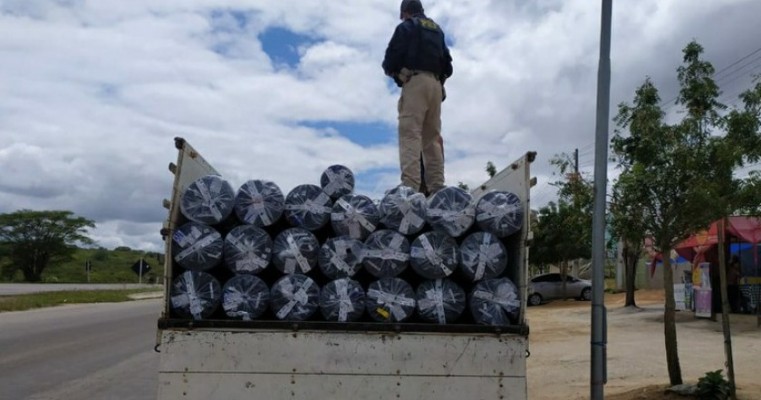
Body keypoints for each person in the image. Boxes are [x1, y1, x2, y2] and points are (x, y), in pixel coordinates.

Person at [382, 0, 453, 195]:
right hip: (436, 86)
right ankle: (438, 188)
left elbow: (389, 60)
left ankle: (410, 187)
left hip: (416, 83)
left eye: (401, 14)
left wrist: (396, 73)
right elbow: (448, 66)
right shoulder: (437, 30)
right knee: (432, 138)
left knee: (410, 134)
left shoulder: (407, 27)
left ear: (406, 12)